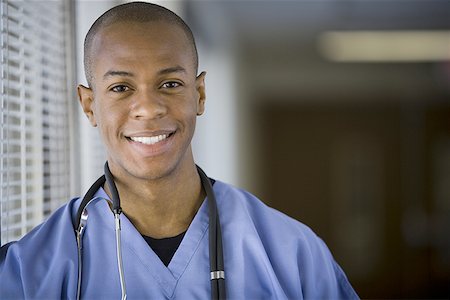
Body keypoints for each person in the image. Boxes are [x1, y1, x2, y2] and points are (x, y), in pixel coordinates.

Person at [0, 2, 359, 299]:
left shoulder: (293, 256)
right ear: (89, 105)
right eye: (121, 87)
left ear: (199, 94)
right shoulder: (28, 273)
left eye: (170, 83)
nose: (148, 107)